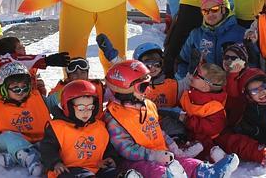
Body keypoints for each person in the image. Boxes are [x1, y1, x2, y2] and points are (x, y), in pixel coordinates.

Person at [103, 60, 240, 178]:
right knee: (155, 170)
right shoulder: (114, 116)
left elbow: (158, 131)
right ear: (124, 91)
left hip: (161, 152)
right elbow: (126, 149)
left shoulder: (148, 105)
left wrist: (172, 146)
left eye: (148, 83)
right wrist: (154, 156)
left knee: (185, 161)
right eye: (143, 86)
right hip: (135, 161)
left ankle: (207, 172)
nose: (148, 89)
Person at [40, 80, 120, 178]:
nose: (86, 112)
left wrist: (110, 157)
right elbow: (47, 149)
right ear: (68, 107)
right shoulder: (57, 127)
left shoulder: (99, 127)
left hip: (96, 168)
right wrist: (55, 163)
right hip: (68, 170)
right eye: (81, 108)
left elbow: (107, 147)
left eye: (90, 107)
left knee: (115, 174)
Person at [177, 0, 245, 79]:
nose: (210, 14)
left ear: (223, 9)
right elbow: (182, 61)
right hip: (204, 87)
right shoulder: (196, 35)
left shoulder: (240, 33)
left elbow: (252, 62)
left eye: (215, 9)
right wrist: (187, 81)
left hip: (233, 84)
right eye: (205, 11)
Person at [0, 36, 71, 97]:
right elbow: (15, 60)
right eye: (20, 47)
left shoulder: (31, 65)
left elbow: (37, 79)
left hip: (34, 99)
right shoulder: (5, 62)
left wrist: (41, 89)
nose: (24, 48)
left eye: (23, 46)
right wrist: (47, 60)